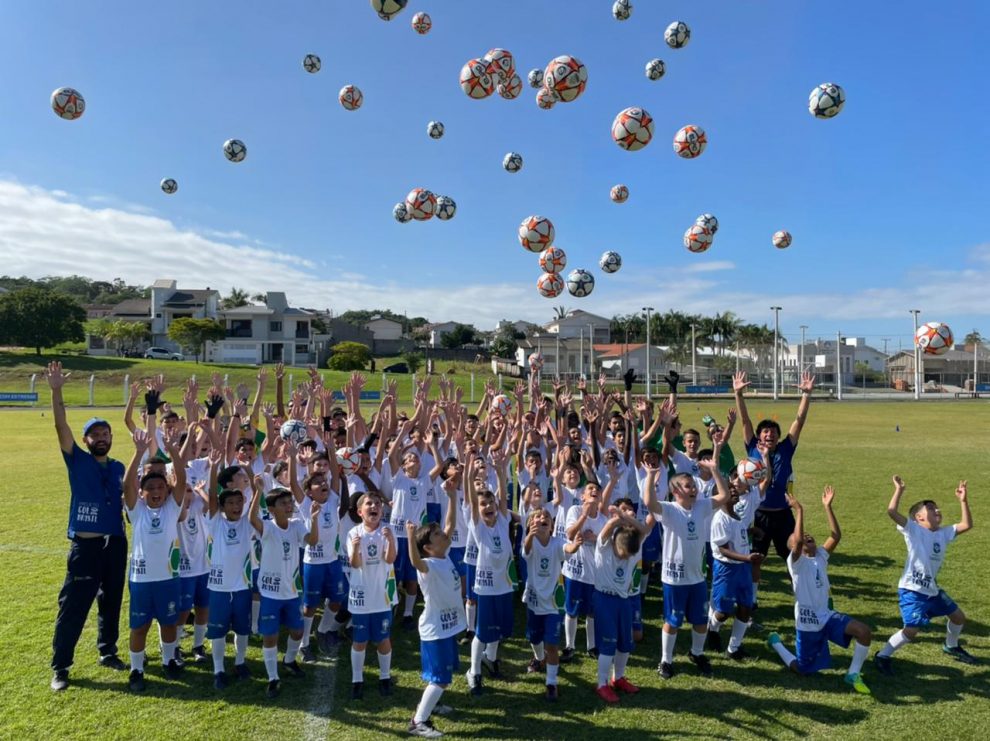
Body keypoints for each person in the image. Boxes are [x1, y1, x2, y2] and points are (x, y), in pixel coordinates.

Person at [46, 361, 129, 691]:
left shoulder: (119, 466)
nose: (101, 437)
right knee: (74, 605)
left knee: (111, 601)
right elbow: (60, 426)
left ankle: (107, 651)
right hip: (87, 544)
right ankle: (61, 666)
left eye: (105, 433)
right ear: (85, 439)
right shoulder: (76, 458)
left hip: (116, 543)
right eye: (95, 434)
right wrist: (56, 391)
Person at [643, 429, 732, 680]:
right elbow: (650, 503)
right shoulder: (669, 510)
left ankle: (696, 652)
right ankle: (665, 660)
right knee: (672, 621)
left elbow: (724, 496)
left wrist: (714, 469)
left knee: (700, 620)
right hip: (674, 578)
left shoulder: (702, 505)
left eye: (693, 485)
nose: (693, 489)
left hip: (696, 577)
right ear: (675, 491)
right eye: (687, 486)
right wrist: (651, 476)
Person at [767, 487, 873, 694]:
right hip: (807, 621)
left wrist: (827, 507)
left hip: (827, 615)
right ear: (793, 548)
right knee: (804, 669)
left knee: (864, 632)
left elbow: (836, 535)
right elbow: (796, 541)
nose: (806, 536)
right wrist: (799, 511)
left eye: (809, 535)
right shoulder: (795, 563)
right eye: (801, 537)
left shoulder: (821, 556)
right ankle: (777, 644)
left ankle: (852, 674)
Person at [874, 476, 977, 675]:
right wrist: (899, 490)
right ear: (919, 518)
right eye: (930, 509)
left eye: (937, 508)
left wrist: (963, 501)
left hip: (932, 590)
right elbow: (891, 511)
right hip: (912, 590)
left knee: (958, 618)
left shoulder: (943, 533)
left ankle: (951, 645)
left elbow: (967, 524)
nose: (937, 510)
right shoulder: (913, 530)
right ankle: (882, 655)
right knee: (910, 631)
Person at [733, 370, 815, 610]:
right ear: (759, 436)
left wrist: (806, 395)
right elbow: (745, 421)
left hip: (782, 513)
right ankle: (753, 598)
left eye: (773, 432)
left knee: (794, 554)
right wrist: (739, 394)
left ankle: (801, 596)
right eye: (765, 431)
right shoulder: (752, 449)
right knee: (756, 558)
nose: (769, 434)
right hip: (758, 513)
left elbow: (799, 421)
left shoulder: (785, 449)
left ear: (778, 436)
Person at [123, 429, 189, 692]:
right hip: (141, 580)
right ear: (142, 493)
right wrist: (139, 453)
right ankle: (136, 669)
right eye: (150, 488)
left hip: (168, 578)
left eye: (161, 486)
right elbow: (128, 484)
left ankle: (168, 660)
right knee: (139, 626)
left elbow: (181, 479)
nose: (156, 491)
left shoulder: (172, 508)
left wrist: (173, 450)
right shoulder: (137, 511)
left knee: (169, 623)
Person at [405, 478, 465, 738]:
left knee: (443, 672)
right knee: (440, 677)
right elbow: (415, 560)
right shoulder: (428, 565)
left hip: (447, 626)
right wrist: (410, 536)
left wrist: (452, 497)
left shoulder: (444, 554)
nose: (444, 534)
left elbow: (451, 524)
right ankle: (418, 721)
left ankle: (434, 702)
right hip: (435, 630)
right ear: (429, 546)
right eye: (438, 534)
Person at [249, 482, 320, 699]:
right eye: (283, 503)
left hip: (291, 590)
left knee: (298, 631)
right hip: (270, 592)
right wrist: (258, 492)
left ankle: (289, 661)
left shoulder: (297, 525)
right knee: (270, 635)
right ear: (272, 509)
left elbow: (312, 541)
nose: (289, 506)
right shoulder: (268, 527)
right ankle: (273, 678)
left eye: (290, 502)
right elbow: (252, 519)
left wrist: (314, 520)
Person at [464, 449, 514, 696]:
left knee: (498, 629)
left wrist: (501, 471)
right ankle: (474, 672)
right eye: (482, 504)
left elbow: (503, 496)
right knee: (482, 632)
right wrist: (469, 471)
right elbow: (471, 499)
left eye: (490, 502)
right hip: (485, 587)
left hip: (505, 584)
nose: (487, 506)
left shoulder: (504, 519)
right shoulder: (477, 525)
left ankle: (490, 659)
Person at [592, 506, 652, 704]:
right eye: (623, 553)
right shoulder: (603, 547)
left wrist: (626, 517)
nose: (627, 557)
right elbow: (608, 526)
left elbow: (643, 531)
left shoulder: (632, 549)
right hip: (604, 600)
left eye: (630, 554)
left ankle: (618, 678)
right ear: (615, 544)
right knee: (608, 643)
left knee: (625, 642)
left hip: (624, 600)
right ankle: (602, 684)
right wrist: (617, 518)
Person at [204, 455, 255, 689]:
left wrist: (253, 479)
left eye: (239, 502)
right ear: (222, 507)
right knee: (217, 632)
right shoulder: (215, 522)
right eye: (230, 503)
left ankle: (240, 662)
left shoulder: (247, 523)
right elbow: (213, 499)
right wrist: (214, 468)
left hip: (243, 586)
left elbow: (256, 500)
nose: (236, 506)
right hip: (219, 588)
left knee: (243, 628)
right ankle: (218, 669)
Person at [347, 491, 398, 700]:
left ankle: (384, 677)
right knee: (360, 641)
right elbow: (355, 563)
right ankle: (357, 679)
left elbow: (390, 559)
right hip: (361, 596)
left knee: (383, 638)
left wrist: (390, 540)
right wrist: (357, 546)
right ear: (360, 511)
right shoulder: (353, 533)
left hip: (383, 596)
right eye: (369, 503)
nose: (374, 506)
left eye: (378, 503)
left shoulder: (388, 530)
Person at [522, 507, 573, 701]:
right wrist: (529, 535)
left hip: (554, 602)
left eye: (546, 518)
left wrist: (575, 545)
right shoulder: (530, 542)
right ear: (531, 524)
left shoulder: (557, 542)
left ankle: (551, 682)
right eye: (537, 517)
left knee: (552, 644)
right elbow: (525, 551)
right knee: (535, 638)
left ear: (551, 526)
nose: (542, 519)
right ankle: (538, 658)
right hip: (534, 599)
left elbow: (567, 549)